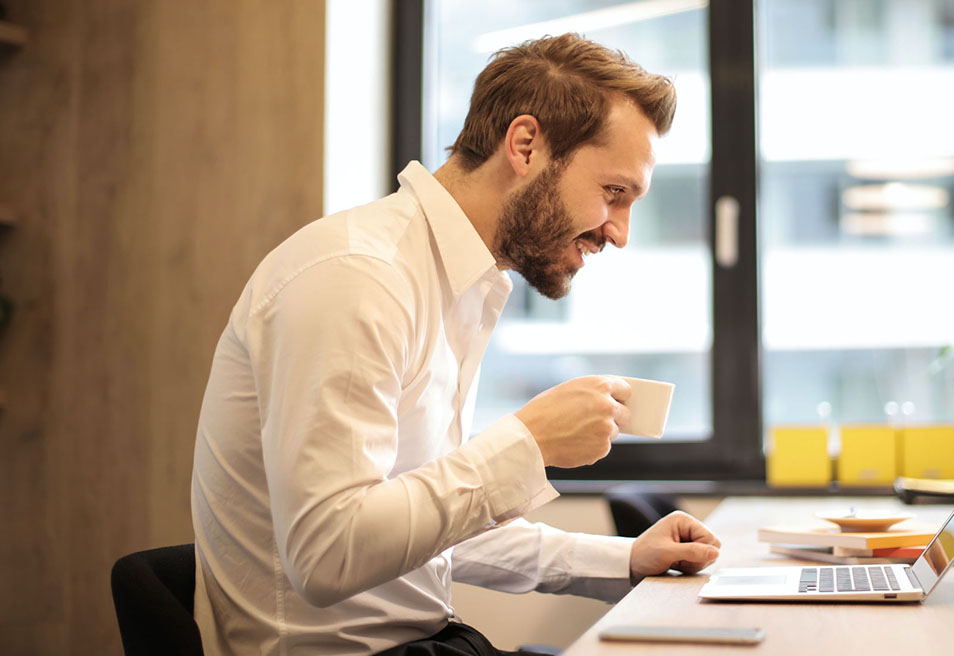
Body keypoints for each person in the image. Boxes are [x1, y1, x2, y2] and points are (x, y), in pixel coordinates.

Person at [190, 33, 721, 656]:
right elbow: (327, 554)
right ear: (525, 146)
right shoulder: (357, 277)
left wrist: (626, 558)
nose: (620, 233)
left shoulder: (460, 284)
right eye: (613, 193)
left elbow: (424, 528)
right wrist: (526, 443)